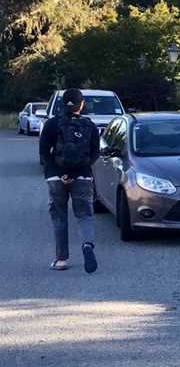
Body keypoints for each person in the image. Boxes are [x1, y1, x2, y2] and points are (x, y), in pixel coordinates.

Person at [39, 88, 100, 273]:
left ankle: (61, 259)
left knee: (59, 217)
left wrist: (61, 172)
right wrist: (74, 173)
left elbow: (43, 154)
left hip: (56, 177)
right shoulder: (89, 125)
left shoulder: (51, 124)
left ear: (62, 103)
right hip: (82, 176)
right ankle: (87, 245)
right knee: (85, 215)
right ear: (81, 104)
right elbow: (94, 154)